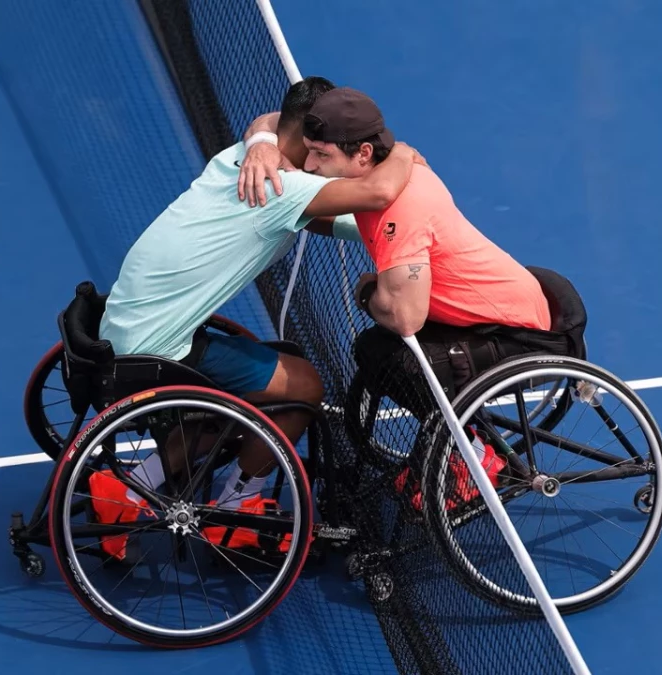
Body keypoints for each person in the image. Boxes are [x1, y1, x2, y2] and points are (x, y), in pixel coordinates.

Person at [88, 76, 427, 558]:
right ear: (311, 135)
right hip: (158, 348)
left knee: (258, 386)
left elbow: (328, 203)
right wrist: (404, 153)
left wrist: (263, 139)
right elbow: (375, 195)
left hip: (125, 326)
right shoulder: (285, 186)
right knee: (305, 386)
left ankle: (125, 488)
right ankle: (236, 502)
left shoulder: (242, 159)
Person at [242, 86, 581, 508]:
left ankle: (474, 457)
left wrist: (366, 291)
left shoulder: (399, 211)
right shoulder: (377, 178)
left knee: (398, 359)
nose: (310, 165)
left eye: (321, 155)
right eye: (309, 151)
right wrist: (270, 163)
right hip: (484, 314)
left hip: (519, 336)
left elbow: (405, 318)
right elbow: (323, 206)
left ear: (363, 154)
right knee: (371, 347)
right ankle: (457, 441)